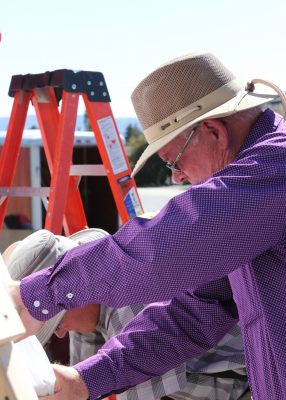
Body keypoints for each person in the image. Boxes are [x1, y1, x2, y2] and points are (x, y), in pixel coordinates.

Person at [8, 51, 286, 400]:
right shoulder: (256, 198)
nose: (177, 176)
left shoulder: (275, 168)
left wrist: (36, 295)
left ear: (214, 130)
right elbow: (190, 316)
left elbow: (164, 247)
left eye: (173, 161)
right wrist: (85, 380)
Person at [5, 229, 248, 400]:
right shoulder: (88, 311)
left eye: (56, 322)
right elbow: (78, 383)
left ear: (73, 295)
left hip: (244, 383)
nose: (59, 334)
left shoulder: (130, 307)